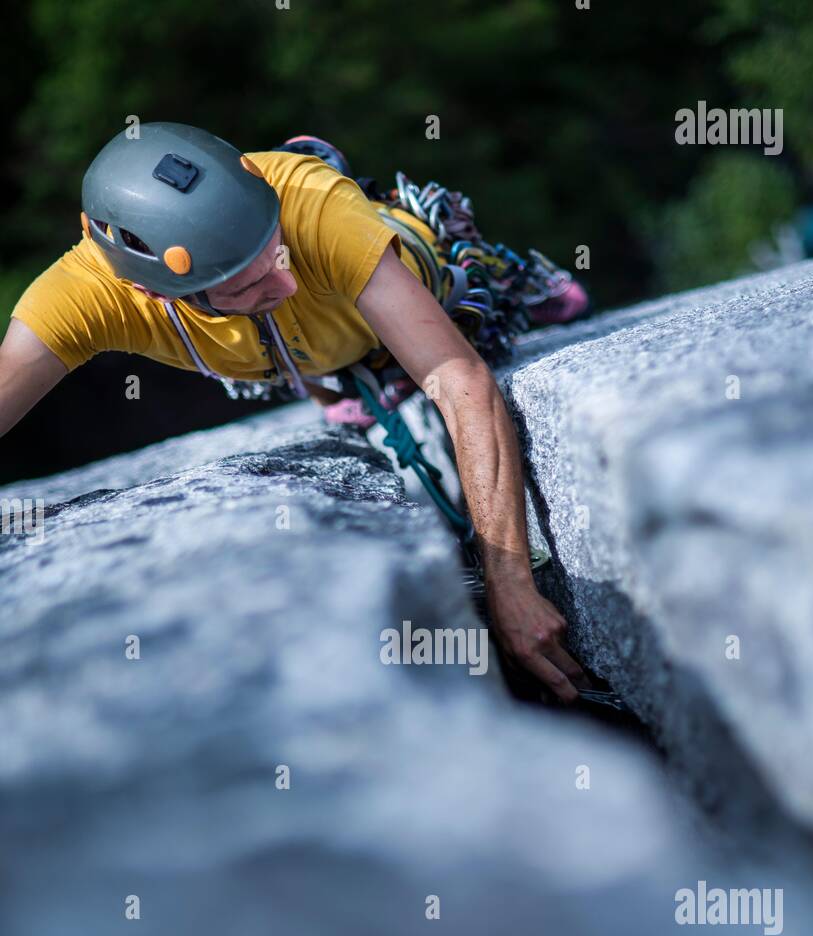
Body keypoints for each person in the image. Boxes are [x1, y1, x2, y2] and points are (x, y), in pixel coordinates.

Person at [0, 123, 589, 702]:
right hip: (300, 353)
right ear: (155, 293)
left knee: (447, 277)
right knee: (304, 355)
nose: (283, 280)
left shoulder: (312, 206)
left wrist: (511, 580)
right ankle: (340, 387)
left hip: (415, 277)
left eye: (274, 250)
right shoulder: (81, 299)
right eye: (246, 283)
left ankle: (512, 274)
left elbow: (455, 376)